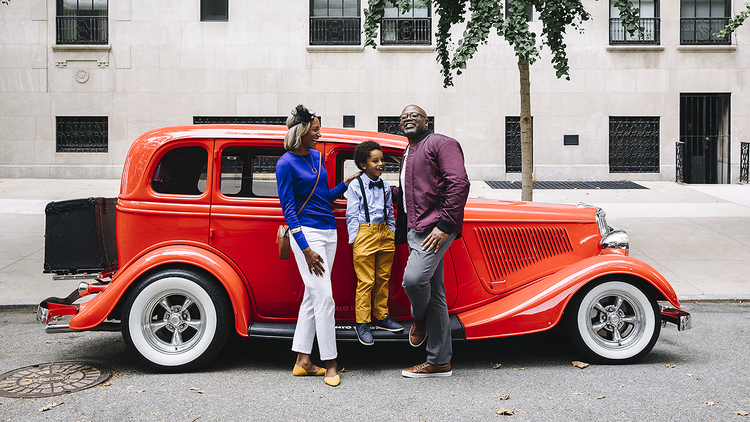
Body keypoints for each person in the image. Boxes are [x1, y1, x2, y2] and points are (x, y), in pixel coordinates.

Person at [276, 104, 361, 387]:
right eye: (315, 130)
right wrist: (305, 248)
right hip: (308, 235)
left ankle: (302, 361)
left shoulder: (316, 156)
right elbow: (288, 210)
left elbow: (322, 196)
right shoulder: (285, 163)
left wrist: (344, 184)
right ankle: (331, 363)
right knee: (325, 298)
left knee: (313, 296)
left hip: (329, 232)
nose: (319, 134)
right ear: (301, 131)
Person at [394, 104, 470, 378]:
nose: (408, 119)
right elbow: (414, 190)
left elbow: (459, 183)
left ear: (428, 121)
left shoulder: (442, 143)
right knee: (435, 294)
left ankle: (418, 319)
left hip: (435, 229)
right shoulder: (407, 151)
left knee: (413, 280)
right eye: (403, 117)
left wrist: (445, 225)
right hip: (416, 228)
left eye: (414, 115)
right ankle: (439, 361)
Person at [346, 141, 403, 346]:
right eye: (375, 161)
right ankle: (362, 322)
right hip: (365, 233)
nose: (381, 164)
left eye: (382, 160)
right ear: (363, 165)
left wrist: (391, 231)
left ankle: (382, 316)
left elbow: (389, 209)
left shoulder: (385, 185)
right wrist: (356, 239)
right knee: (366, 281)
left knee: (383, 278)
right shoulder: (355, 185)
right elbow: (351, 214)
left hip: (384, 233)